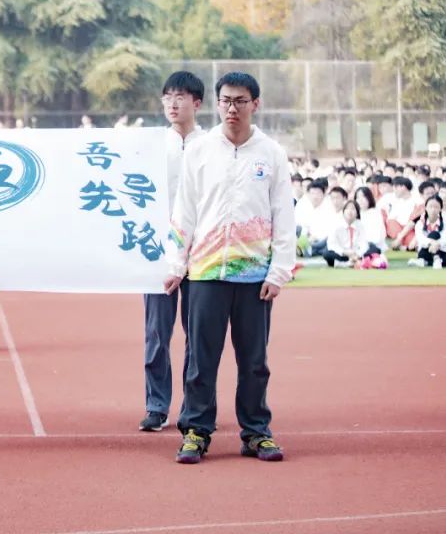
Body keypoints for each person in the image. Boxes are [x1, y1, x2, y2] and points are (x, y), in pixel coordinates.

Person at [165, 72, 294, 464]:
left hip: (254, 275)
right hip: (205, 272)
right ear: (217, 104)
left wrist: (279, 271)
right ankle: (196, 432)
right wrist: (177, 262)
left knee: (254, 361)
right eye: (226, 100)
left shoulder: (271, 154)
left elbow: (283, 215)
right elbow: (184, 210)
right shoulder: (200, 151)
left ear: (255, 104)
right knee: (201, 359)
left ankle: (256, 432)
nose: (232, 108)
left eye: (240, 101)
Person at [140, 71, 203, 433]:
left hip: (200, 253)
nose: (172, 104)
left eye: (180, 97)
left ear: (197, 103)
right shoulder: (151, 146)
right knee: (156, 333)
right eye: (167, 97)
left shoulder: (210, 146)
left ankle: (195, 406)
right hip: (159, 253)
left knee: (198, 335)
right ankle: (156, 405)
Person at [323, 201, 378, 267]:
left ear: (357, 213)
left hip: (356, 253)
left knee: (374, 248)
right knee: (326, 252)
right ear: (343, 212)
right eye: (347, 208)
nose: (350, 211)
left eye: (353, 209)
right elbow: (332, 244)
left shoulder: (360, 225)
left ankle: (353, 261)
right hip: (342, 254)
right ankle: (348, 263)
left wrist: (357, 255)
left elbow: (363, 244)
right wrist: (344, 252)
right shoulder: (336, 225)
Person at [409, 195, 446, 269]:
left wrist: (436, 244)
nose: (433, 209)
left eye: (436, 207)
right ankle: (436, 259)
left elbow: (445, 240)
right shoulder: (420, 223)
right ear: (426, 208)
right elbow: (421, 239)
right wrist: (432, 242)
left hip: (441, 250)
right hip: (425, 251)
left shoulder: (445, 223)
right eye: (430, 207)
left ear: (440, 209)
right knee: (434, 234)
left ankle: (426, 263)